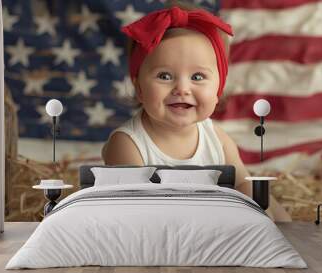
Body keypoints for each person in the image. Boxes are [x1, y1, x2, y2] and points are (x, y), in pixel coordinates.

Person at [102, 4, 291, 222]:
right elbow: (139, 212)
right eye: (164, 76)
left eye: (198, 77)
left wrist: (268, 217)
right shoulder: (127, 144)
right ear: (139, 88)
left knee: (272, 212)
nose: (182, 89)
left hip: (214, 231)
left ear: (218, 89)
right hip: (159, 239)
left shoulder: (217, 139)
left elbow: (243, 183)